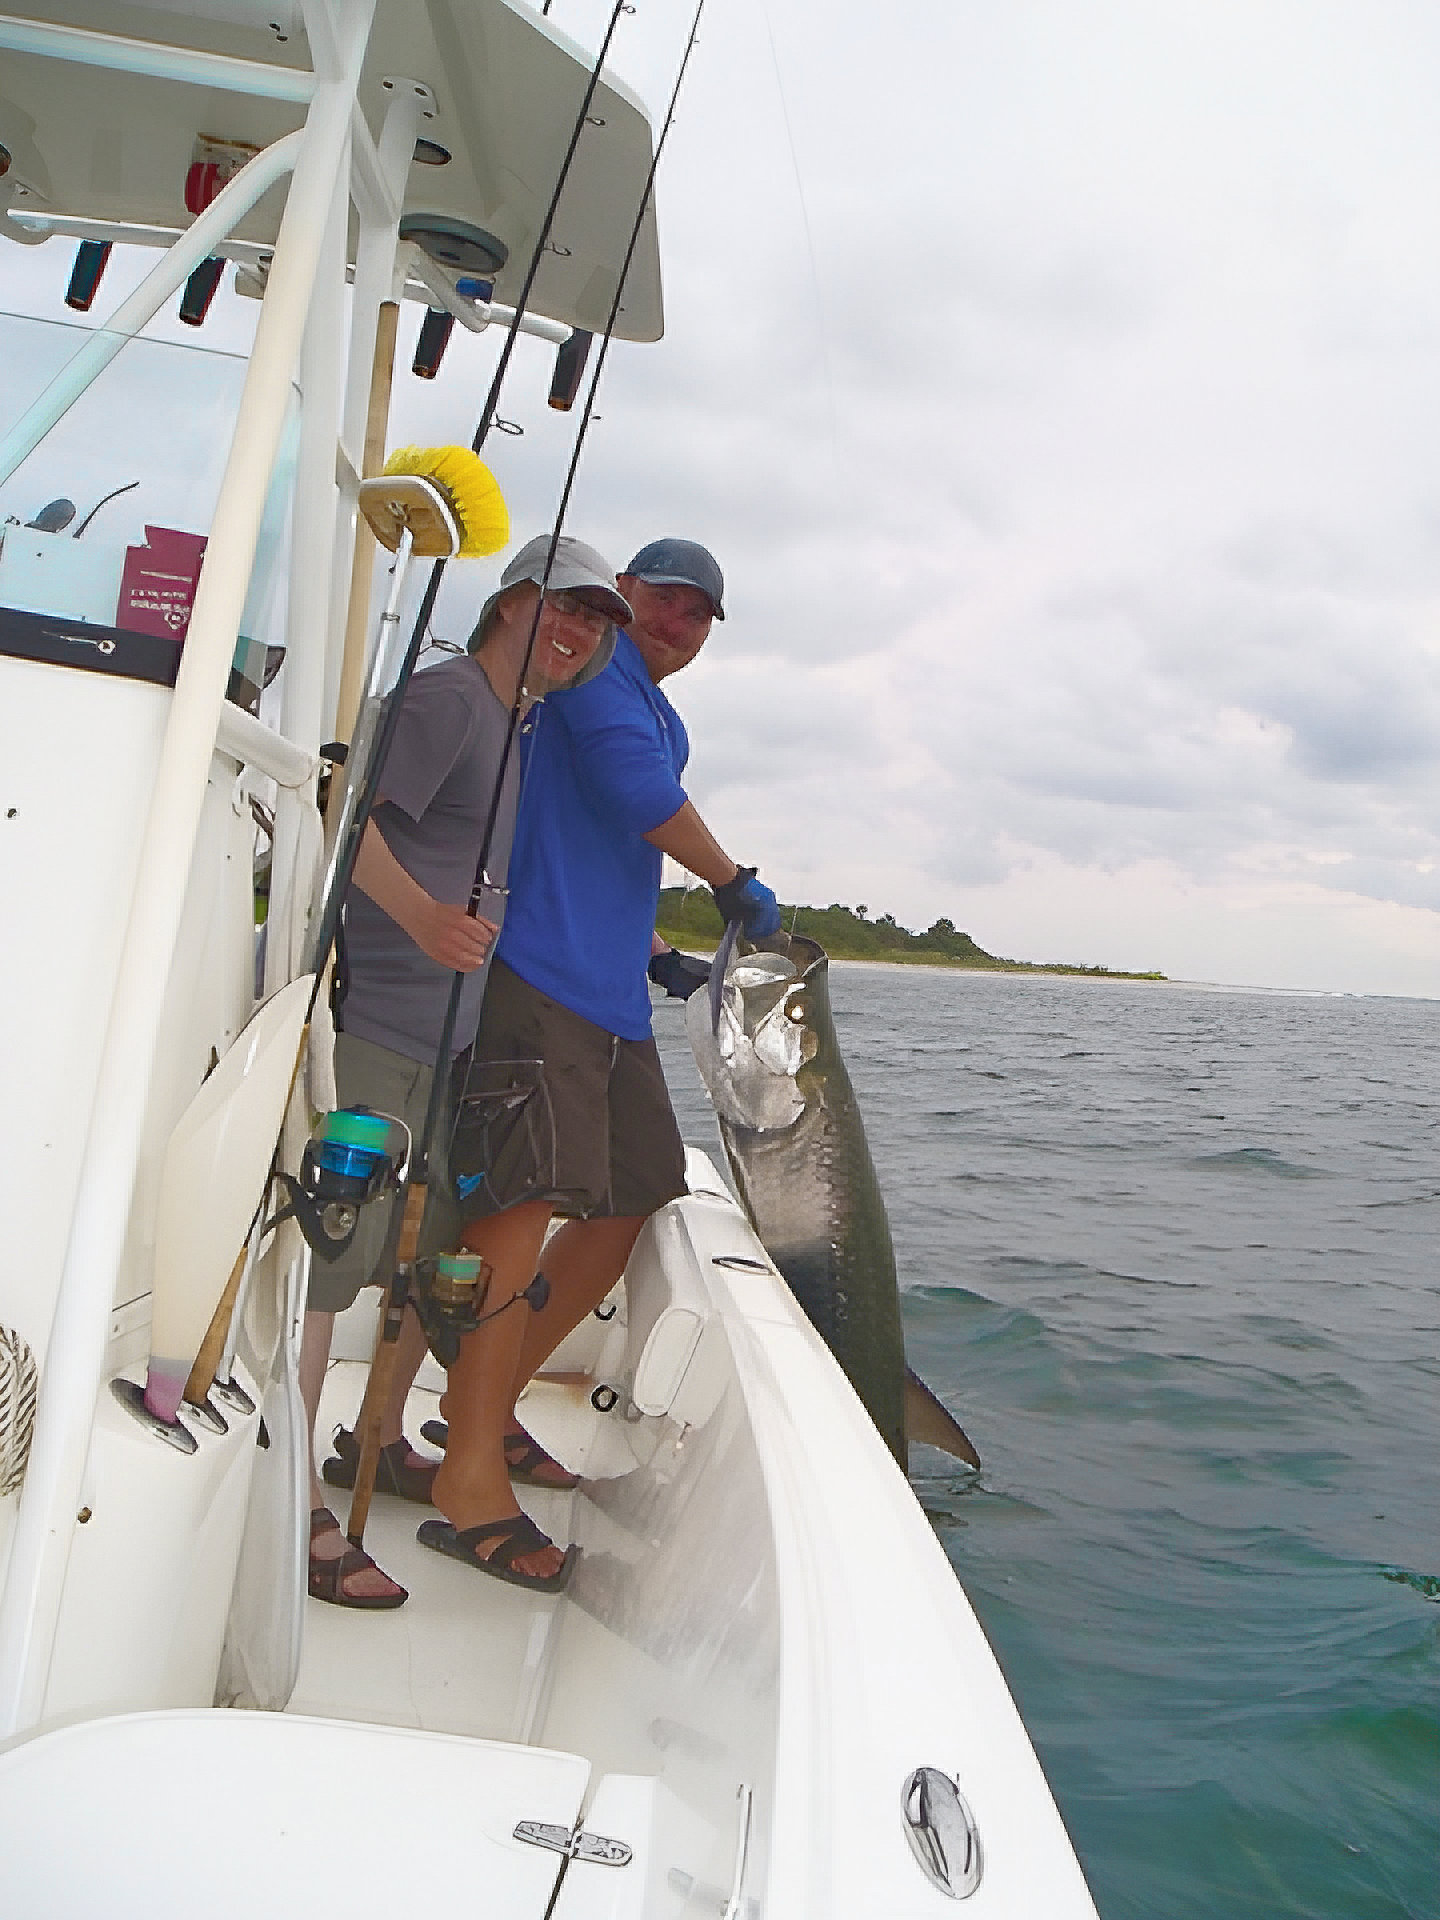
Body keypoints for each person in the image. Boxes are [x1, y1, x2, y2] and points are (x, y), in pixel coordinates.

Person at [418, 538, 781, 1590]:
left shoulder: (657, 708)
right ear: (622, 599)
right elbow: (632, 796)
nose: (677, 623)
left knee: (633, 1197)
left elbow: (587, 842)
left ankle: (476, 1407)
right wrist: (731, 880)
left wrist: (657, 952)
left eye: (698, 614)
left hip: (609, 992)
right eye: (662, 601)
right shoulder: (596, 680)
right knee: (514, 1221)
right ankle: (467, 1482)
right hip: (539, 984)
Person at [303, 534, 630, 1608]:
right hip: (384, 1031)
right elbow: (343, 820)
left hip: (447, 1043)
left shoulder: (519, 723)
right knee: (334, 1270)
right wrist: (423, 919)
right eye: (560, 609)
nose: (576, 633)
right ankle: (295, 1505)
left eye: (592, 623)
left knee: (417, 1255)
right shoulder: (447, 700)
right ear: (508, 605)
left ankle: (374, 1443)